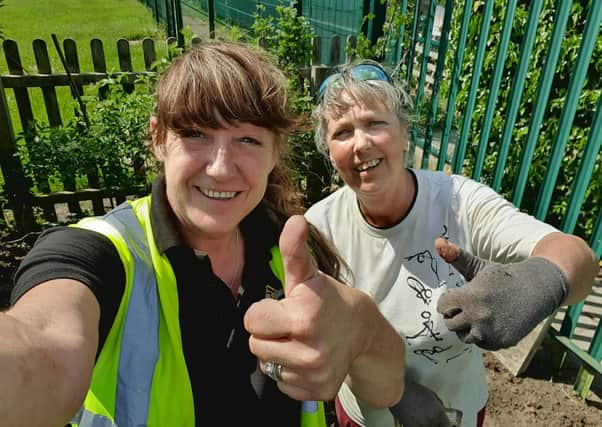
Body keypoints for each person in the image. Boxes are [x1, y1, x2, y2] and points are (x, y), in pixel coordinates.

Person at [1, 42, 406, 427]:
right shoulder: (102, 255)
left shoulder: (293, 250)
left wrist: (364, 328)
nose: (220, 168)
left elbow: (386, 388)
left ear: (274, 152)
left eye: (247, 139)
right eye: (196, 134)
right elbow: (39, 346)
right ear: (159, 138)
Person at [305, 60, 599, 427]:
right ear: (329, 151)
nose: (361, 143)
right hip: (364, 415)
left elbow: (578, 258)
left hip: (457, 410)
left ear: (404, 131)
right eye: (342, 132)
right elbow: (323, 333)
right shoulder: (320, 227)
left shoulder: (459, 202)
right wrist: (396, 393)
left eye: (375, 123)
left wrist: (540, 281)